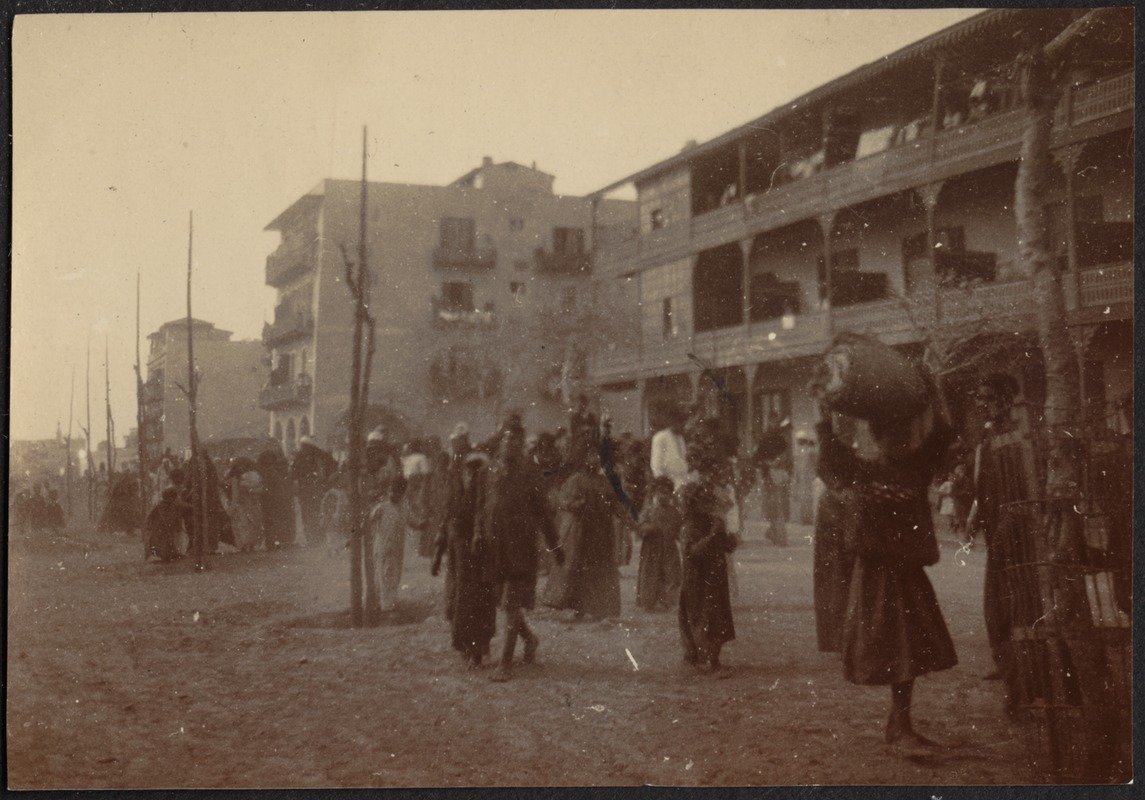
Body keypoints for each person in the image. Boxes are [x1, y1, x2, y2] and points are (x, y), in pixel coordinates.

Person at [818, 375, 957, 750]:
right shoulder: (866, 472)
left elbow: (943, 437)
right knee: (898, 649)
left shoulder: (911, 470)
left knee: (910, 650)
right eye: (892, 435)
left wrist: (932, 382)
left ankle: (900, 724)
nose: (900, 441)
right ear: (880, 437)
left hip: (904, 572)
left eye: (903, 436)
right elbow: (830, 461)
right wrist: (824, 413)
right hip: (880, 576)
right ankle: (900, 726)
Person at [477, 414, 564, 682]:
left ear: (521, 444)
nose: (511, 445)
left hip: (520, 548)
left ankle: (505, 664)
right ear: (500, 442)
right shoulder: (488, 471)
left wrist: (555, 545)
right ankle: (531, 639)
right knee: (504, 603)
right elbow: (482, 507)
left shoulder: (530, 473)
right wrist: (478, 533)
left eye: (516, 440)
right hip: (494, 546)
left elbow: (544, 513)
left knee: (512, 603)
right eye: (507, 439)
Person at [431, 422, 497, 669]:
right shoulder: (453, 472)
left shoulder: (479, 469)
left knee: (478, 595)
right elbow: (449, 510)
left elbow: (483, 507)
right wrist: (439, 548)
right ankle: (467, 646)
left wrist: (480, 533)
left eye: (460, 443)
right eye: (454, 444)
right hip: (459, 540)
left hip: (477, 542)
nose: (456, 448)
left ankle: (478, 648)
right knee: (460, 596)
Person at [542, 437, 622, 621]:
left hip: (601, 532)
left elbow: (616, 504)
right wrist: (575, 504)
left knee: (598, 570)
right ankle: (578, 608)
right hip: (581, 533)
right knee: (579, 570)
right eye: (591, 455)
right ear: (584, 458)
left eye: (598, 455)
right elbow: (561, 502)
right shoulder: (576, 480)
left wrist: (630, 521)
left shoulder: (605, 481)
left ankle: (598, 609)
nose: (595, 459)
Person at [678, 478, 737, 672]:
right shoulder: (689, 527)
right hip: (697, 580)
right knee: (701, 618)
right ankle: (701, 657)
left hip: (715, 578)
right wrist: (712, 537)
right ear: (695, 505)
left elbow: (727, 546)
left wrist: (731, 539)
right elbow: (691, 553)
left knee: (717, 617)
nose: (710, 507)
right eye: (705, 503)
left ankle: (713, 656)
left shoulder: (713, 523)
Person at [635, 476, 682, 611]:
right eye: (660, 492)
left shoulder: (674, 512)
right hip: (652, 549)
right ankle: (649, 602)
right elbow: (640, 527)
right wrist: (649, 529)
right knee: (651, 574)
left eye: (667, 493)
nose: (664, 496)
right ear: (654, 493)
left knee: (671, 574)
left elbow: (680, 530)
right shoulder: (649, 510)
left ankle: (669, 601)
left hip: (669, 548)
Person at [372, 475, 408, 613]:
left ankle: (389, 605)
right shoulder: (382, 508)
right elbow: (368, 520)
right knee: (386, 577)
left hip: (397, 550)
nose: (394, 494)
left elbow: (411, 521)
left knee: (394, 577)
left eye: (398, 492)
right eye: (392, 491)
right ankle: (387, 608)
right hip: (383, 548)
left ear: (403, 493)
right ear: (388, 491)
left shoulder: (403, 508)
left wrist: (422, 524)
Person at [292, 436, 337, 546]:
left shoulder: (301, 456)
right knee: (317, 512)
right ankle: (317, 537)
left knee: (309, 513)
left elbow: (294, 473)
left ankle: (312, 537)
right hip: (317, 489)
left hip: (307, 490)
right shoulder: (321, 455)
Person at [257, 446, 295, 550]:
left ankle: (272, 542)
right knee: (278, 520)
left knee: (270, 521)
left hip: (269, 498)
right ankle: (278, 541)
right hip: (277, 498)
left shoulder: (265, 471)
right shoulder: (275, 470)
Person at [225, 457, 264, 552]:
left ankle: (244, 545)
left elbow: (235, 495)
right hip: (251, 505)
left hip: (239, 505)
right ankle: (252, 545)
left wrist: (231, 508)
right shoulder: (252, 478)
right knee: (251, 525)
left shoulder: (235, 479)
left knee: (241, 526)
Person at [650, 406, 690, 491]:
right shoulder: (660, 437)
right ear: (672, 421)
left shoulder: (681, 438)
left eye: (683, 422)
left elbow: (682, 460)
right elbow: (656, 465)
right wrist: (663, 485)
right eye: (679, 421)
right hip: (668, 484)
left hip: (682, 483)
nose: (682, 425)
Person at [146, 487, 188, 562]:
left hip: (163, 528)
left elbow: (150, 515)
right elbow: (151, 515)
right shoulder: (171, 505)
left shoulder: (162, 505)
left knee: (165, 541)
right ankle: (166, 555)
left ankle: (168, 555)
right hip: (162, 527)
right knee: (164, 542)